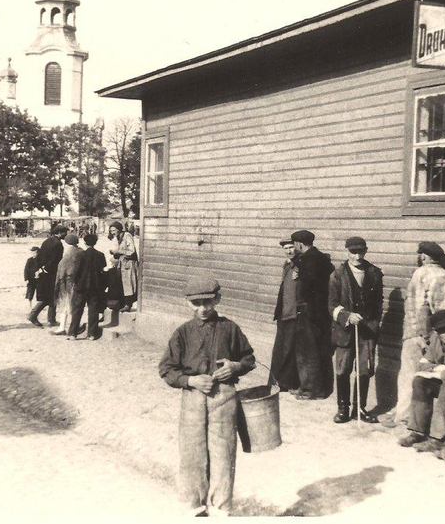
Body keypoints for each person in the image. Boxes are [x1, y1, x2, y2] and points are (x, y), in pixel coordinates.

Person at [158, 274, 256, 517]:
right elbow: (167, 369)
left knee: (223, 452)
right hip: (192, 398)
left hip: (224, 397)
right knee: (192, 452)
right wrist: (189, 380)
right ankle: (194, 505)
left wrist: (234, 367)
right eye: (196, 304)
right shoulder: (182, 333)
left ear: (218, 300)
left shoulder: (230, 329)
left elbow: (249, 359)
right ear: (187, 303)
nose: (202, 309)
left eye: (208, 303)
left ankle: (221, 507)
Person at [388, 241, 445, 430]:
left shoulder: (423, 274)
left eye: (421, 255)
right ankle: (417, 418)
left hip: (417, 334)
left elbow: (423, 308)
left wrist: (422, 335)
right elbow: (442, 310)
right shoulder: (444, 276)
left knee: (409, 375)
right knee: (425, 375)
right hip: (432, 335)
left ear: (424, 256)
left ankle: (404, 416)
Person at [399, 309, 445, 453]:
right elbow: (422, 364)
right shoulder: (435, 340)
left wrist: (436, 374)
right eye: (442, 331)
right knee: (420, 381)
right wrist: (441, 368)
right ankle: (418, 431)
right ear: (437, 332)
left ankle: (439, 438)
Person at [328, 236, 383, 424]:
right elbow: (331, 305)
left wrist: (373, 324)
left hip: (366, 332)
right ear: (347, 252)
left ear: (366, 250)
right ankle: (343, 408)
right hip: (344, 332)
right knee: (343, 370)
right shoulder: (337, 275)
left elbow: (378, 304)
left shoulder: (375, 273)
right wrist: (347, 316)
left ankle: (360, 407)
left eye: (360, 251)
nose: (357, 256)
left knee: (363, 371)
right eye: (353, 252)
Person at [289, 229, 335, 399]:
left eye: (294, 245)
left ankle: (309, 390)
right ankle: (322, 389)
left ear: (299, 244)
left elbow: (308, 289)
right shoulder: (323, 258)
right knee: (321, 350)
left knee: (307, 352)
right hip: (322, 313)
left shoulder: (307, 260)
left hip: (309, 312)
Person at [270, 239, 311, 397]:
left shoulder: (302, 265)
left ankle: (289, 383)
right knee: (280, 349)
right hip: (284, 314)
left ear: (297, 248)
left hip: (296, 315)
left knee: (291, 350)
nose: (289, 251)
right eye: (286, 248)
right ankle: (278, 382)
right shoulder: (287, 265)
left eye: (291, 248)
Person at [29, 225, 68, 327]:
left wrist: (40, 268)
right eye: (65, 232)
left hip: (43, 272)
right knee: (50, 296)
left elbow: (39, 256)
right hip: (51, 273)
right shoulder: (58, 244)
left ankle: (51, 319)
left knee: (50, 296)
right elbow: (56, 261)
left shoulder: (46, 241)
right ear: (59, 232)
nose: (66, 235)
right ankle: (34, 315)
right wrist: (47, 269)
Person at [52, 234, 85, 337]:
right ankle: (74, 325)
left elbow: (62, 268)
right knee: (72, 305)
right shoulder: (81, 251)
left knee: (66, 304)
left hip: (68, 282)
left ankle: (64, 327)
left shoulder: (68, 253)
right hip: (78, 281)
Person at [78, 233, 108, 340]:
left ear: (85, 243)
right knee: (93, 309)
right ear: (95, 243)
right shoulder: (100, 255)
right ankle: (91, 334)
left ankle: (72, 333)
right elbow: (103, 269)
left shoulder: (81, 255)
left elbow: (78, 270)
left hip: (82, 285)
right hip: (95, 285)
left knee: (78, 309)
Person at [109, 221, 139, 312]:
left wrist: (119, 252)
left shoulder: (127, 236)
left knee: (128, 284)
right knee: (122, 284)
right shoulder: (119, 237)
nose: (112, 232)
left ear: (119, 229)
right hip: (122, 264)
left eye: (114, 230)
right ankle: (122, 304)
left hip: (129, 264)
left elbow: (132, 251)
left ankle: (128, 305)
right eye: (111, 231)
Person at [24, 246, 39, 310]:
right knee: (30, 292)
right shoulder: (29, 260)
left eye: (35, 253)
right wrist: (26, 278)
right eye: (32, 253)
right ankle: (29, 304)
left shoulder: (40, 260)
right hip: (31, 279)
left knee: (39, 292)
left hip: (39, 279)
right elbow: (26, 270)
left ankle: (38, 306)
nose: (33, 254)